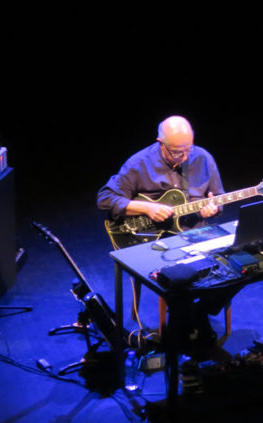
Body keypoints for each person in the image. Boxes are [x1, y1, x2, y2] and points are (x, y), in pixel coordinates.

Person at [98, 115, 229, 346]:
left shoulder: (203, 158)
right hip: (157, 239)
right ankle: (180, 335)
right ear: (161, 144)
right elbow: (105, 198)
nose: (185, 157)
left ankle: (201, 311)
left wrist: (213, 208)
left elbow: (217, 198)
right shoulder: (140, 163)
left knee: (239, 266)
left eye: (188, 149)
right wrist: (147, 208)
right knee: (179, 278)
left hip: (196, 233)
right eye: (178, 152)